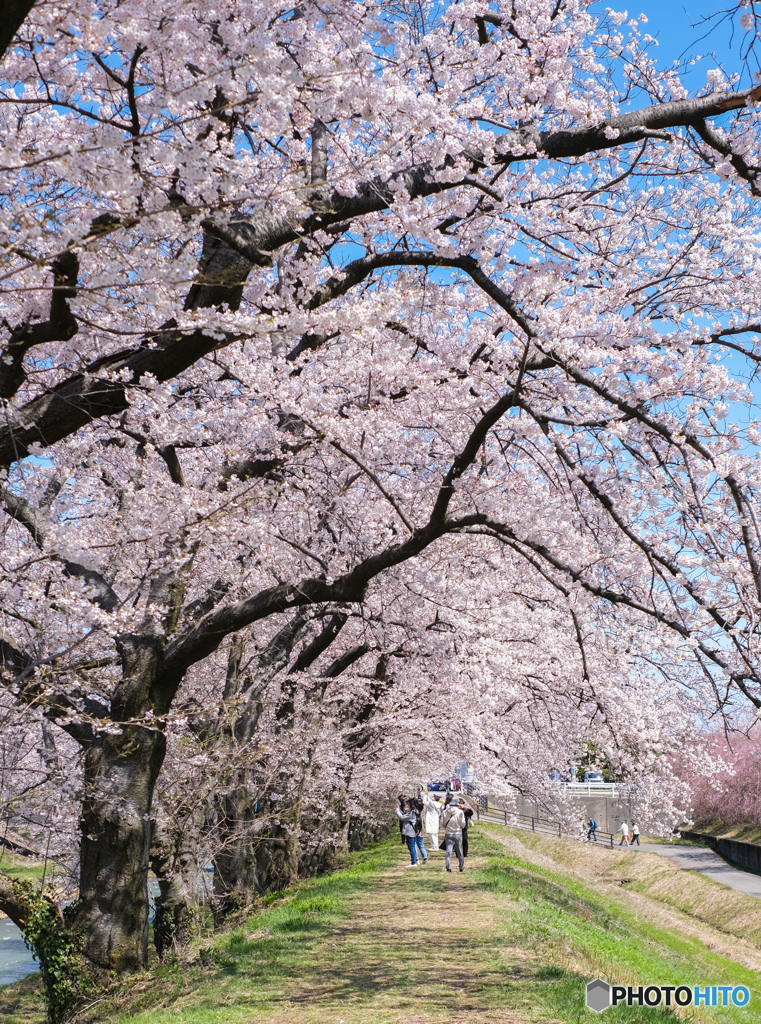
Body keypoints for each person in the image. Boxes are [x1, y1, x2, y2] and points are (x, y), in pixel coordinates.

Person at [396, 798, 426, 866]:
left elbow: (402, 818)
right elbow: (404, 816)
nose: (407, 805)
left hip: (410, 832)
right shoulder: (417, 811)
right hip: (414, 831)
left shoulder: (412, 812)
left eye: (408, 804)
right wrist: (400, 810)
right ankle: (415, 861)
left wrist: (397, 811)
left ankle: (413, 862)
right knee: (413, 846)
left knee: (411, 847)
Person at [441, 799, 466, 872]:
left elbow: (442, 822)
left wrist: (446, 827)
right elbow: (463, 823)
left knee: (448, 851)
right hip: (458, 833)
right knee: (459, 850)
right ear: (457, 804)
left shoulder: (445, 812)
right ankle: (461, 866)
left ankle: (448, 867)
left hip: (448, 833)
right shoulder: (460, 812)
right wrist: (461, 827)